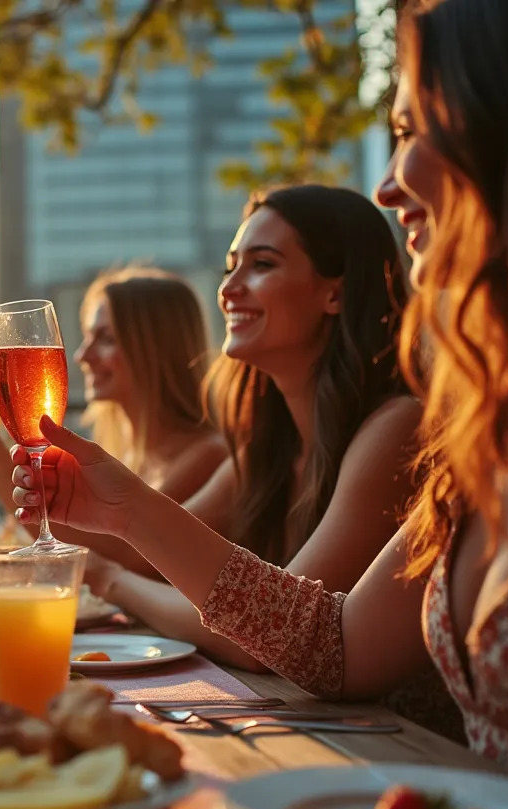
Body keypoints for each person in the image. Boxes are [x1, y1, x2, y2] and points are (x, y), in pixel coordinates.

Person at [12, 0, 508, 785]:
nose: (387, 183)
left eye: (410, 133)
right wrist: (122, 508)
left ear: (507, 133)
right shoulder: (480, 435)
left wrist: (108, 558)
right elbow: (335, 646)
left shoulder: (405, 425)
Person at [46, 186, 419, 668]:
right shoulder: (265, 449)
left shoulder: (396, 428)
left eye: (261, 265)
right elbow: (183, 576)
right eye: (230, 266)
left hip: (398, 743)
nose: (227, 289)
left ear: (335, 291)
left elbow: (278, 631)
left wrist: (110, 578)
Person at [0, 268, 226, 513]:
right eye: (88, 336)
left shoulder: (207, 457)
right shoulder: (122, 452)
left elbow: (128, 554)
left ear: (160, 350)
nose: (82, 355)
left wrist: (1, 471)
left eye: (107, 339)